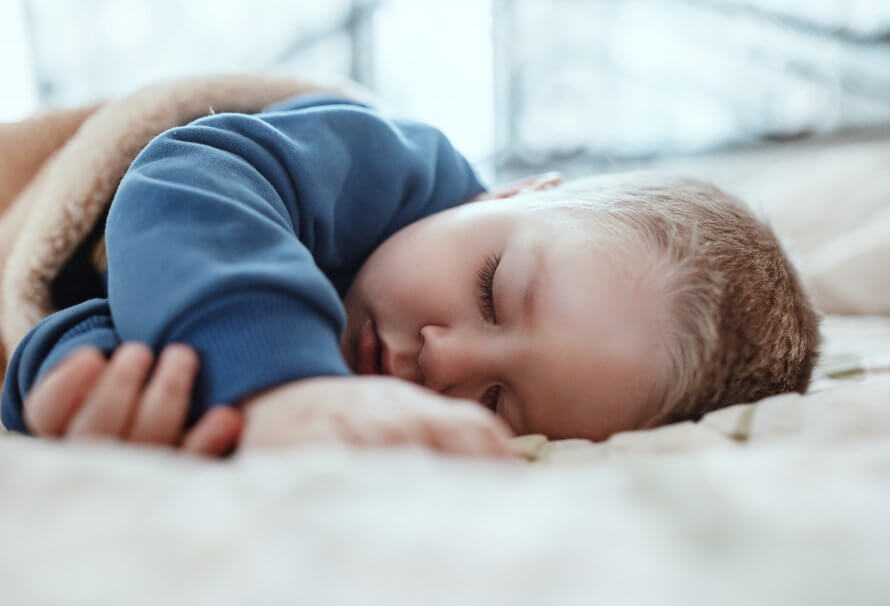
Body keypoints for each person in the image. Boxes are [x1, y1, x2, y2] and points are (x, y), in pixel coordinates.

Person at [0, 94, 820, 458]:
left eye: (500, 404)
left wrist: (98, 389)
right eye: (491, 290)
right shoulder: (396, 165)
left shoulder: (367, 428)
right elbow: (190, 176)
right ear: (515, 193)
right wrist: (284, 385)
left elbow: (90, 316)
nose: (445, 362)